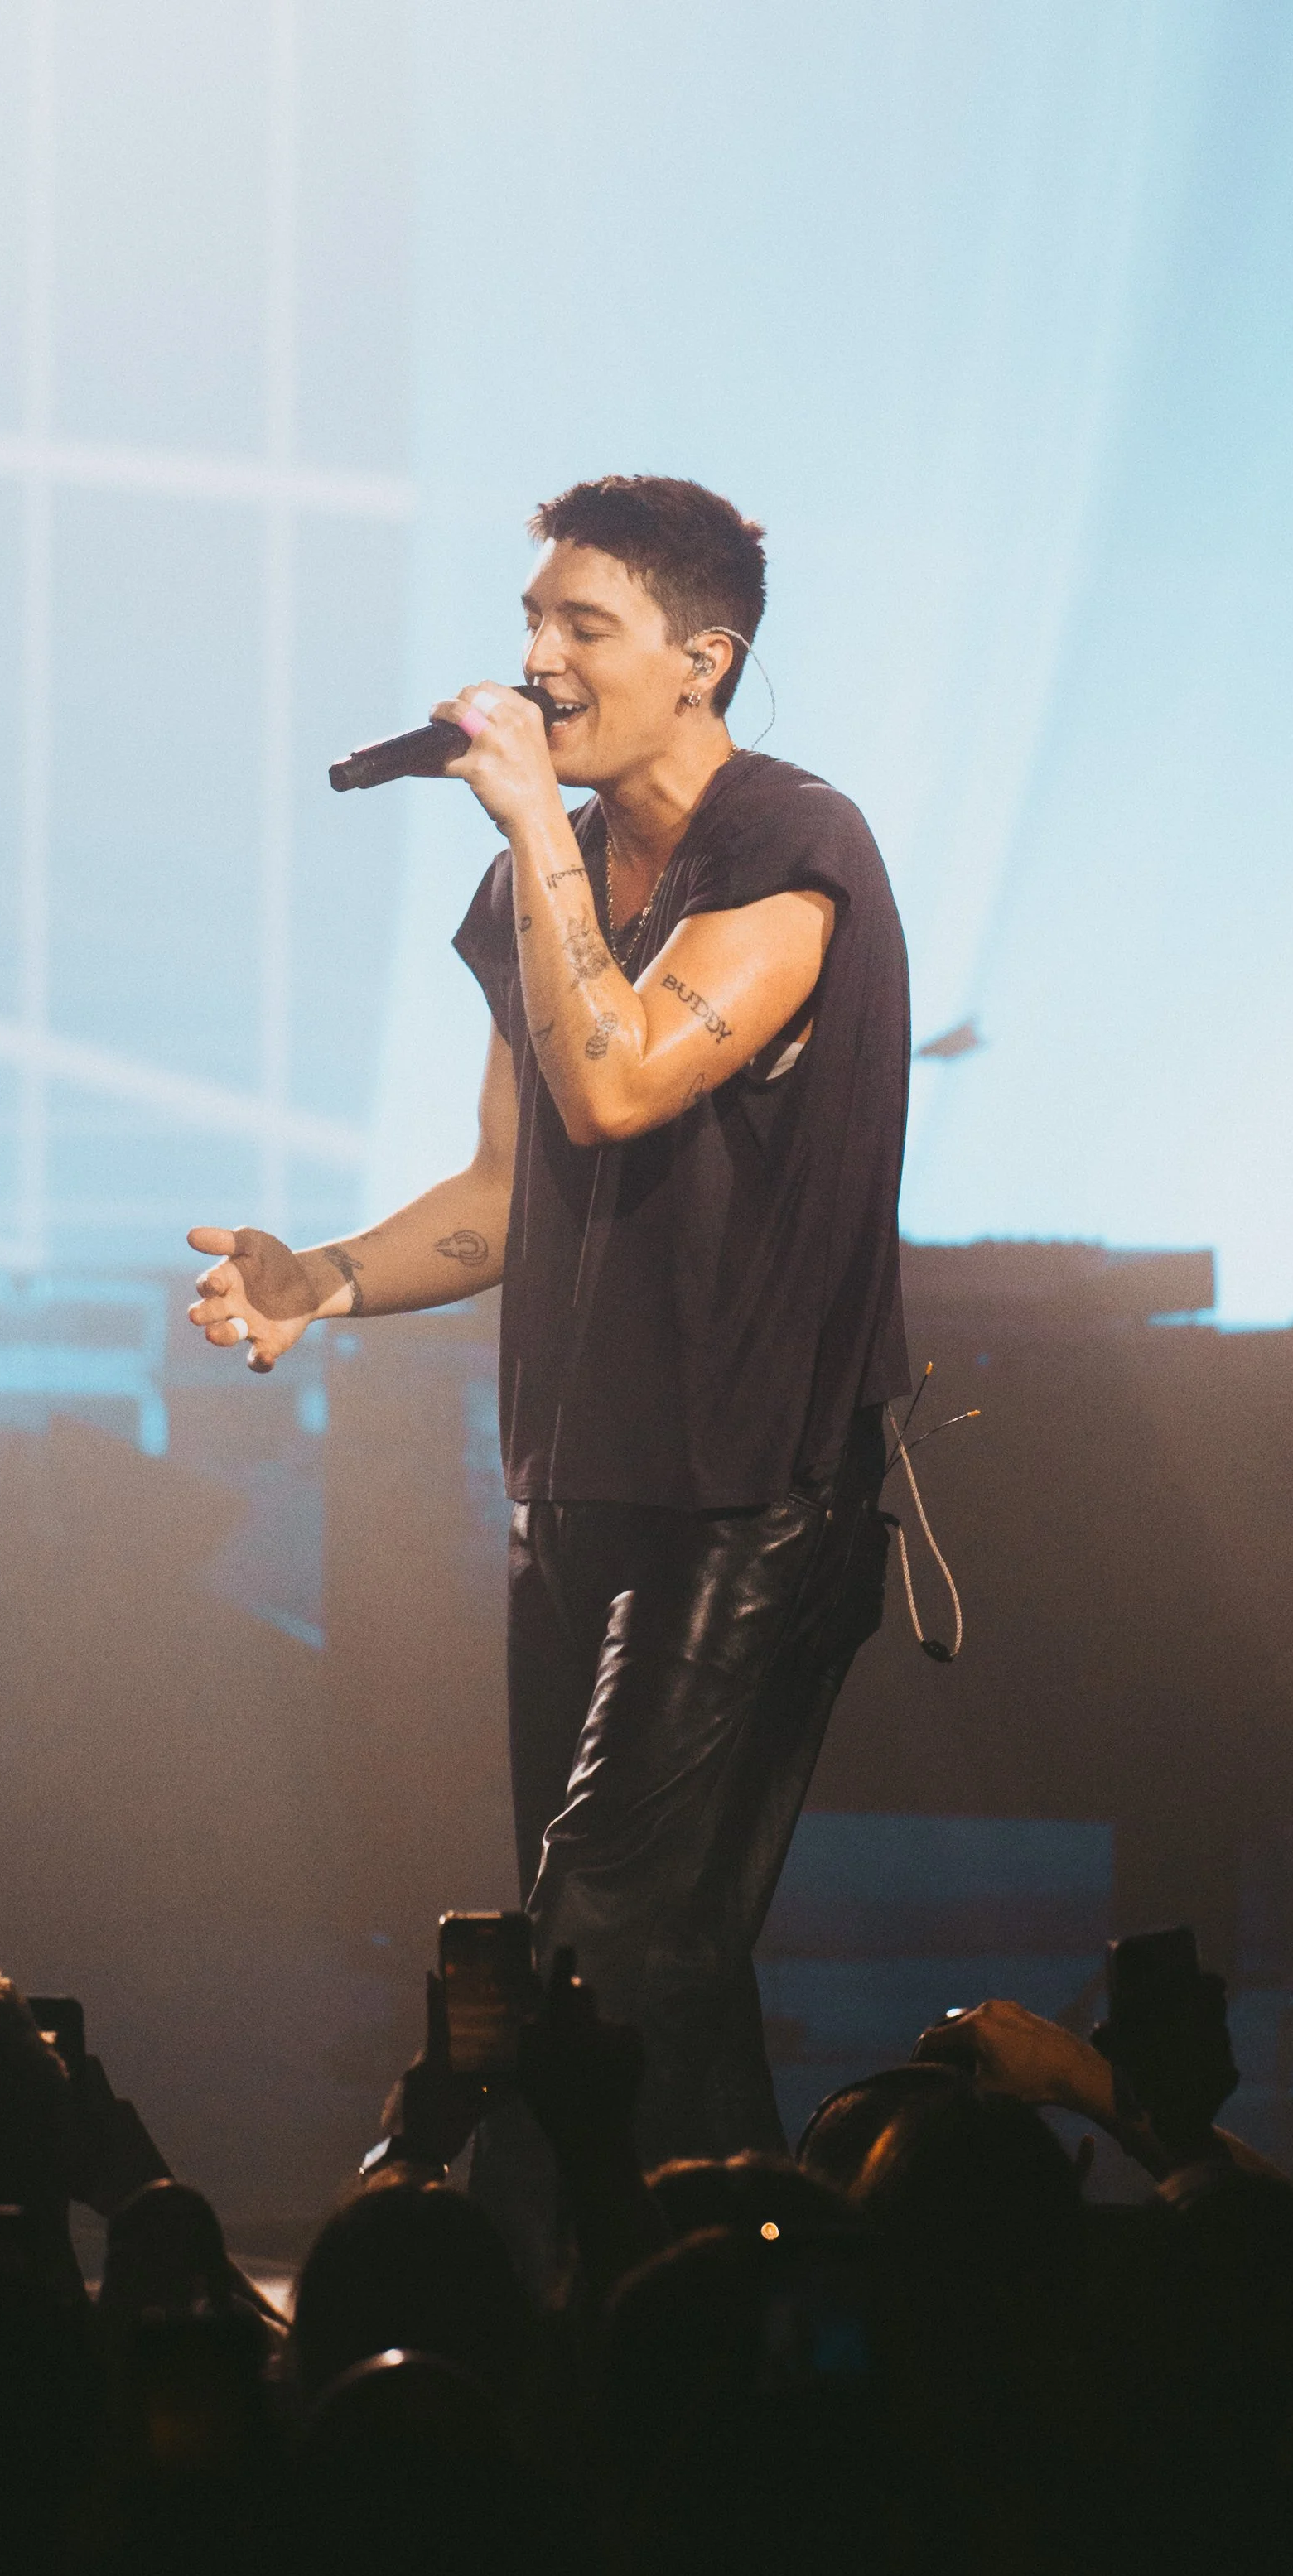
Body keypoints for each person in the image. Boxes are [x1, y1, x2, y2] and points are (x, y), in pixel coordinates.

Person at [188, 474, 911, 2169]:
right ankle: (717, 2281)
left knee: (588, 1941)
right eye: (531, 621)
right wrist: (326, 1277)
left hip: (749, 1497)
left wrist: (526, 833)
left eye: (584, 625)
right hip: (578, 1491)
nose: (537, 661)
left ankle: (512, 2256)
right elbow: (512, 1184)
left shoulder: (791, 849)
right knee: (655, 1981)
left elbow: (621, 1083)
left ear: (702, 658)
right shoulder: (553, 876)